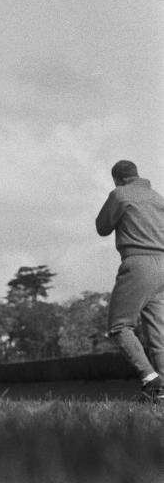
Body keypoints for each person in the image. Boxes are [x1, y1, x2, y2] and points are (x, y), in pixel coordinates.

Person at [95, 159, 164, 402]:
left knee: (119, 325)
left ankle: (150, 378)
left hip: (139, 263)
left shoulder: (120, 194)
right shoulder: (157, 197)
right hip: (163, 265)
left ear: (117, 179)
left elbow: (102, 227)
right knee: (158, 332)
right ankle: (162, 394)